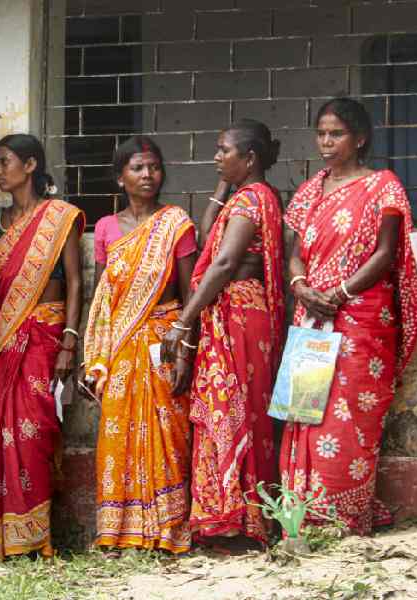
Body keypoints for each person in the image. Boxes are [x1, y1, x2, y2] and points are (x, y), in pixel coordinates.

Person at [279, 98, 417, 534]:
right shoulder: (309, 191)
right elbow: (295, 253)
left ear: (360, 139)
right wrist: (301, 287)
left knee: (348, 418)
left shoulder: (383, 186)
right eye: (322, 134)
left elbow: (385, 253)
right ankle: (301, 515)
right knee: (304, 412)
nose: (326, 142)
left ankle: (341, 517)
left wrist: (340, 292)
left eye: (337, 134)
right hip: (312, 315)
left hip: (361, 317)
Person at [162, 119, 285, 546]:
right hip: (232, 313)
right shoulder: (246, 197)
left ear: (249, 158)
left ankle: (242, 518)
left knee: (236, 411)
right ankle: (228, 516)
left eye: (224, 151)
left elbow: (224, 262)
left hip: (240, 315)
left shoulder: (251, 201)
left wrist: (183, 321)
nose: (216, 157)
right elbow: (207, 232)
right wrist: (223, 183)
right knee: (228, 411)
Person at [0, 134, 84, 560]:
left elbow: (74, 281)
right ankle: (4, 535)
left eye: (5, 162)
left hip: (45, 336)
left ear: (31, 165)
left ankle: (36, 536)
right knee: (1, 433)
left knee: (35, 432)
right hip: (4, 342)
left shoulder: (60, 217)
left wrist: (69, 341)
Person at [84, 136, 197, 554]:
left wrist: (185, 349)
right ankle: (117, 531)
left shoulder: (176, 222)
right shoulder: (106, 229)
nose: (147, 175)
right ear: (120, 178)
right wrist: (93, 357)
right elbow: (101, 300)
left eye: (153, 167)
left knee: (169, 435)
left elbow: (190, 293)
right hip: (119, 348)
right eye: (137, 168)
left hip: (164, 339)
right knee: (117, 437)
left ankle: (168, 528)